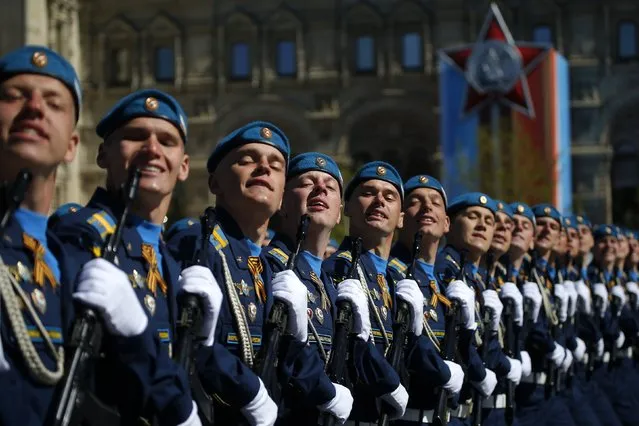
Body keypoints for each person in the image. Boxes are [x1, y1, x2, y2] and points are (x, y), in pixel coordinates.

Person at [0, 45, 161, 426]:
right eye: (12, 96)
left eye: (53, 102)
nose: (35, 107)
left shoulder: (74, 262)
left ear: (73, 145)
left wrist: (136, 336)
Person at [50, 89, 211, 424]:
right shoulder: (80, 236)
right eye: (135, 136)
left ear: (183, 167)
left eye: (166, 141)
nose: (152, 149)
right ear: (103, 154)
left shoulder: (163, 251)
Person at [167, 121, 310, 426]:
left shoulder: (272, 268)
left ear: (283, 193)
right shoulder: (197, 244)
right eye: (246, 160)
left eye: (275, 165)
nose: (263, 168)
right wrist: (250, 392)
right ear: (215, 183)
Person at [263, 152, 353, 424]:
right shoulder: (269, 268)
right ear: (282, 202)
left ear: (339, 213)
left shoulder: (329, 281)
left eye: (330, 185)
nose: (321, 188)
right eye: (307, 182)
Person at [323, 161, 409, 424]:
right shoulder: (334, 270)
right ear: (346, 207)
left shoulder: (398, 280)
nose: (379, 201)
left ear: (401, 217)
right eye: (368, 192)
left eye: (389, 196)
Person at [386, 175, 465, 425]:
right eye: (416, 201)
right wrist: (442, 372)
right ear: (400, 217)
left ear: (447, 223)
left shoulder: (444, 284)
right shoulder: (390, 274)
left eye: (435, 202)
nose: (427, 207)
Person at [434, 193, 501, 426]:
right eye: (473, 216)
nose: (482, 225)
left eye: (489, 221)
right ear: (449, 224)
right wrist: (480, 373)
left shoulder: (478, 278)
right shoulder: (445, 270)